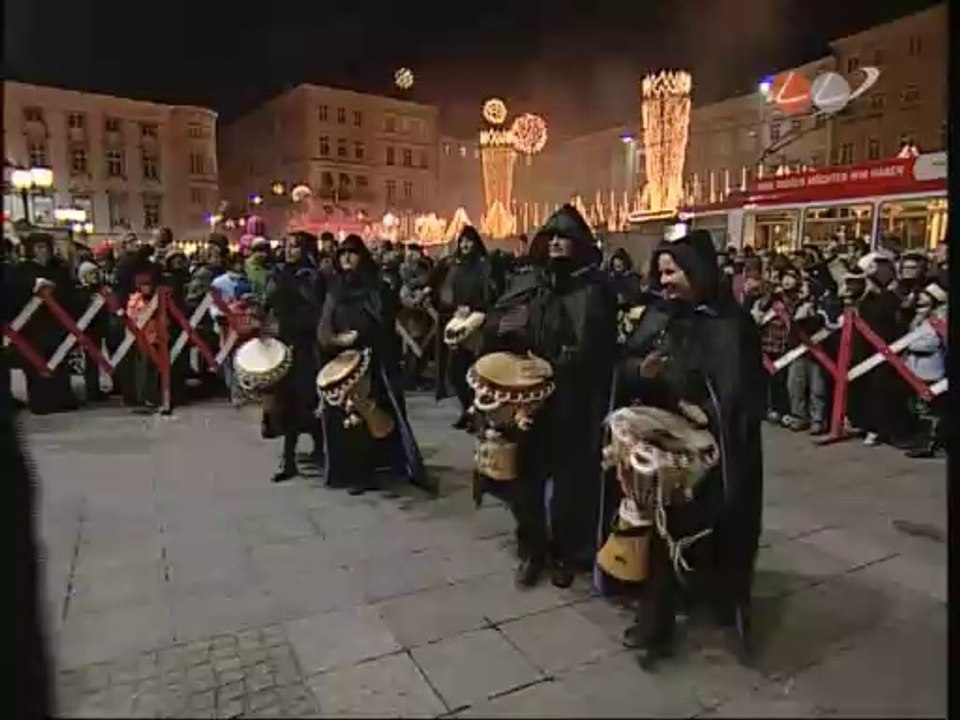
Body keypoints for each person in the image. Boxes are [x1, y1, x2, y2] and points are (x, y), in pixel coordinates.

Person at [614, 229, 765, 667]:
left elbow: (744, 393)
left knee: (712, 530)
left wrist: (705, 411)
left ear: (696, 272)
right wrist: (642, 372)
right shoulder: (659, 315)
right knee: (662, 531)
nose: (664, 281)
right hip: (661, 447)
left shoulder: (731, 323)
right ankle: (654, 622)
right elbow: (624, 365)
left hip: (713, 451)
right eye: (660, 272)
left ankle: (713, 597)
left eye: (672, 271)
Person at [480, 204, 617, 589]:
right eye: (551, 237)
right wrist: (508, 329)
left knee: (572, 482)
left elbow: (600, 346)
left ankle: (565, 552)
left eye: (565, 238)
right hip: (527, 399)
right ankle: (532, 548)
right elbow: (496, 322)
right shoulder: (529, 282)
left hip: (573, 400)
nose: (556, 243)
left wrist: (561, 363)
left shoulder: (594, 289)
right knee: (526, 477)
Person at [317, 235, 429, 495]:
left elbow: (386, 320)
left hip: (375, 360)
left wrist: (368, 337)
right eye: (343, 253)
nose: (346, 257)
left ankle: (387, 466)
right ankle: (356, 472)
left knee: (378, 415)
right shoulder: (335, 289)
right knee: (348, 420)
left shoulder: (377, 287)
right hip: (344, 360)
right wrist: (335, 340)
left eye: (352, 253)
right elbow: (325, 325)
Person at [262, 233, 326, 482]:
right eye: (287, 246)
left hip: (308, 347)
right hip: (284, 345)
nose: (289, 251)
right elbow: (269, 305)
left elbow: (318, 309)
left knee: (309, 401)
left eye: (296, 247)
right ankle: (288, 459)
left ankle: (320, 450)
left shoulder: (314, 276)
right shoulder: (279, 275)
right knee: (285, 404)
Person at [432, 226, 497, 428]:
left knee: (476, 372)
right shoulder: (456, 267)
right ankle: (466, 408)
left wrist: (475, 308)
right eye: (462, 241)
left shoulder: (484, 266)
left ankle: (478, 413)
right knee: (456, 372)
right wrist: (453, 308)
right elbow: (447, 292)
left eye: (469, 241)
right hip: (459, 321)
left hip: (478, 324)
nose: (465, 245)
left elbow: (490, 294)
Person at [12, 232, 81, 414]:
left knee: (59, 360)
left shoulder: (57, 269)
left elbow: (68, 290)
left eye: (45, 247)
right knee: (36, 363)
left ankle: (63, 399)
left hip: (55, 322)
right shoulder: (23, 269)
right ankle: (41, 402)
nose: (43, 251)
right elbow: (18, 292)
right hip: (33, 325)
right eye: (39, 248)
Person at [902, 281, 947, 459]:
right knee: (918, 408)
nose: (919, 307)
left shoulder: (939, 319)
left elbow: (932, 342)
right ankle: (924, 441)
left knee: (928, 410)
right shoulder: (919, 319)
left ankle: (929, 444)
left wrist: (909, 343)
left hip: (931, 370)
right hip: (915, 369)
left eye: (923, 303)